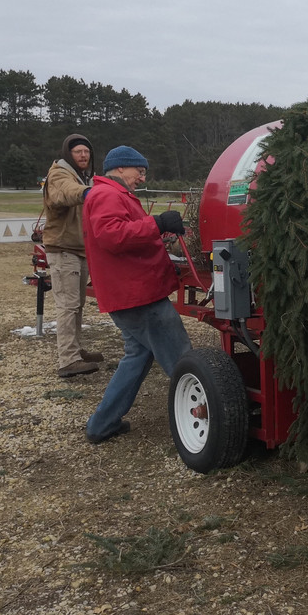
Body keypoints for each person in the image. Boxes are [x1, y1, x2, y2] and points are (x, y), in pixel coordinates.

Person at [82, 145, 191, 444]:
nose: (141, 178)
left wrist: (159, 235)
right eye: (138, 172)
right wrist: (158, 223)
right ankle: (210, 414)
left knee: (137, 358)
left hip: (129, 294)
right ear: (119, 168)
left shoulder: (112, 194)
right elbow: (113, 236)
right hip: (139, 297)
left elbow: (129, 233)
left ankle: (101, 425)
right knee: (185, 360)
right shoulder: (107, 195)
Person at [42, 134, 103, 378]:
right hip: (63, 248)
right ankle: (68, 360)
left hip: (77, 248)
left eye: (86, 152)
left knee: (77, 304)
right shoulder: (59, 174)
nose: (83, 155)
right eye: (78, 151)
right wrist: (90, 193)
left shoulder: (81, 177)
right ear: (69, 154)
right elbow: (65, 194)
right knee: (67, 305)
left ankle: (75, 351)